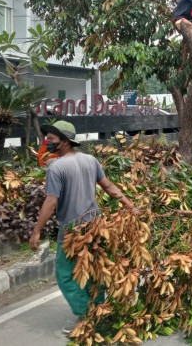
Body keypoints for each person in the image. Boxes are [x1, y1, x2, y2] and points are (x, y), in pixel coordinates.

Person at [29, 120, 140, 333]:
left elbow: (51, 202)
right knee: (93, 272)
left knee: (65, 275)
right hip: (96, 227)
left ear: (64, 141)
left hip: (72, 231)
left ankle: (86, 317)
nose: (47, 143)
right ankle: (98, 313)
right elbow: (109, 186)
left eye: (51, 139)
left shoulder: (56, 167)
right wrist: (131, 206)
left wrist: (36, 231)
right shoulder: (90, 160)